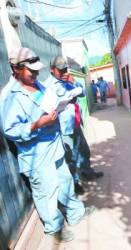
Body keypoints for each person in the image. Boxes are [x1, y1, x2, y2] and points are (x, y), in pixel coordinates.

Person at [0, 47, 92, 243]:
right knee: (46, 193)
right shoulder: (9, 96)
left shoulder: (39, 85)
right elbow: (10, 130)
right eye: (30, 70)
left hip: (55, 146)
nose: (35, 73)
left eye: (36, 70)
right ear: (15, 68)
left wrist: (63, 103)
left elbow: (51, 101)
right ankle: (55, 227)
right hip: (37, 154)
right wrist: (38, 123)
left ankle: (76, 213)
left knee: (66, 182)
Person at [44, 56, 103, 195]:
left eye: (65, 69)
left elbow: (82, 93)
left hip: (75, 122)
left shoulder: (67, 80)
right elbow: (50, 107)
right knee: (71, 157)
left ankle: (87, 172)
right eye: (60, 70)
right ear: (52, 70)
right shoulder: (48, 86)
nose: (64, 72)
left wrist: (74, 82)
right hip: (64, 127)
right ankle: (75, 183)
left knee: (84, 150)